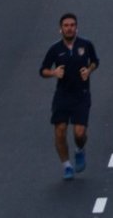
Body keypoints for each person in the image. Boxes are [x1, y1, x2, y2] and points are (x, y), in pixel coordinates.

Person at [40, 13, 99, 180]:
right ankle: (66, 165)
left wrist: (89, 70)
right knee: (60, 131)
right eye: (66, 25)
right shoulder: (55, 49)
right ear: (61, 29)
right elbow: (42, 70)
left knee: (79, 134)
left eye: (72, 25)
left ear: (76, 27)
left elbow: (95, 61)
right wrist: (53, 72)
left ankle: (80, 150)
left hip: (81, 94)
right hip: (63, 95)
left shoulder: (85, 45)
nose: (69, 28)